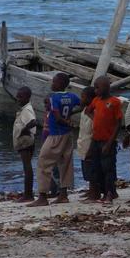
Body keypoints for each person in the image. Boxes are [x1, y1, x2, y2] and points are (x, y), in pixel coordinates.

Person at [27, 73, 80, 207]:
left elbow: (56, 117)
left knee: (43, 163)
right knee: (65, 163)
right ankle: (63, 194)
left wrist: (66, 121)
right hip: (68, 135)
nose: (52, 84)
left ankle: (43, 196)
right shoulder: (72, 96)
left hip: (56, 133)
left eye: (54, 82)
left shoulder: (53, 98)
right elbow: (83, 103)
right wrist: (70, 115)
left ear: (59, 84)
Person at [87, 76, 123, 205]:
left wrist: (109, 143)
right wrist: (95, 119)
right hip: (96, 140)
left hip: (108, 141)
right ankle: (105, 192)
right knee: (97, 168)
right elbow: (88, 111)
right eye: (95, 87)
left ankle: (109, 194)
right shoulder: (96, 100)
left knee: (108, 168)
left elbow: (119, 123)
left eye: (98, 87)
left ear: (106, 87)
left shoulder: (115, 102)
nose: (96, 90)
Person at [12, 87, 38, 203]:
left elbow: (33, 122)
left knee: (27, 167)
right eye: (17, 96)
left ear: (27, 97)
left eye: (21, 96)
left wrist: (24, 130)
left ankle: (28, 195)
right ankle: (27, 193)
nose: (18, 99)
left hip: (25, 141)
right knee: (27, 167)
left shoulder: (27, 110)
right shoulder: (25, 109)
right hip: (25, 141)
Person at [77, 87, 99, 202]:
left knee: (92, 171)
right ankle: (91, 190)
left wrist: (92, 148)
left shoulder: (93, 111)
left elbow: (95, 130)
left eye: (83, 97)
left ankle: (94, 194)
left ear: (90, 98)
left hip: (90, 144)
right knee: (87, 169)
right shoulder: (84, 110)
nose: (81, 99)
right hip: (83, 144)